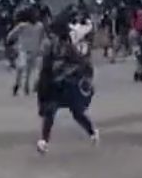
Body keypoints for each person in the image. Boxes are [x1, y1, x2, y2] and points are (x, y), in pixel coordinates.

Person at [35, 15, 98, 154]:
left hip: (68, 85)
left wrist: (67, 71)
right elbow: (45, 66)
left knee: (77, 112)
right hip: (54, 84)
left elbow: (81, 64)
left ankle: (92, 132)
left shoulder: (68, 47)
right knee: (50, 113)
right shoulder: (50, 46)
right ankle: (44, 141)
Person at [7, 8, 45, 96]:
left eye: (36, 14)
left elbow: (42, 38)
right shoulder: (22, 26)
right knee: (21, 69)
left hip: (35, 51)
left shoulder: (40, 26)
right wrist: (10, 41)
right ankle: (18, 85)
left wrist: (41, 48)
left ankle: (26, 87)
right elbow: (11, 35)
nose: (35, 16)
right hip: (23, 51)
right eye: (34, 14)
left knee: (30, 70)